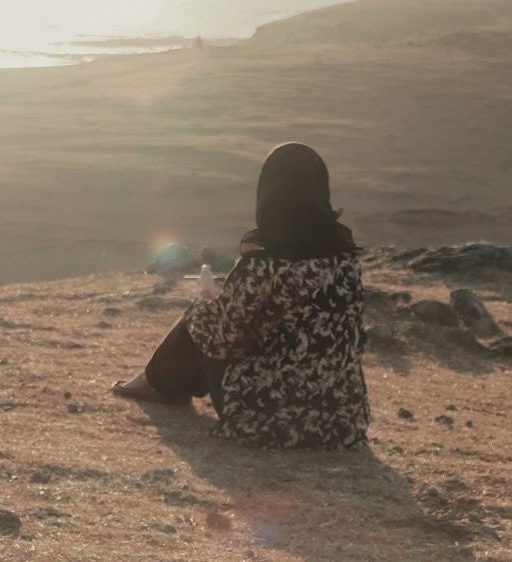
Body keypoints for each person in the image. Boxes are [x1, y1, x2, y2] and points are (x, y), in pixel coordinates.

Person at [113, 143, 369, 449]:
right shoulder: (347, 262)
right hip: (341, 420)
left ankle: (154, 383)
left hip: (271, 418)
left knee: (200, 319)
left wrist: (209, 299)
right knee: (215, 315)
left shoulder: (265, 265)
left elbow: (224, 341)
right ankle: (159, 382)